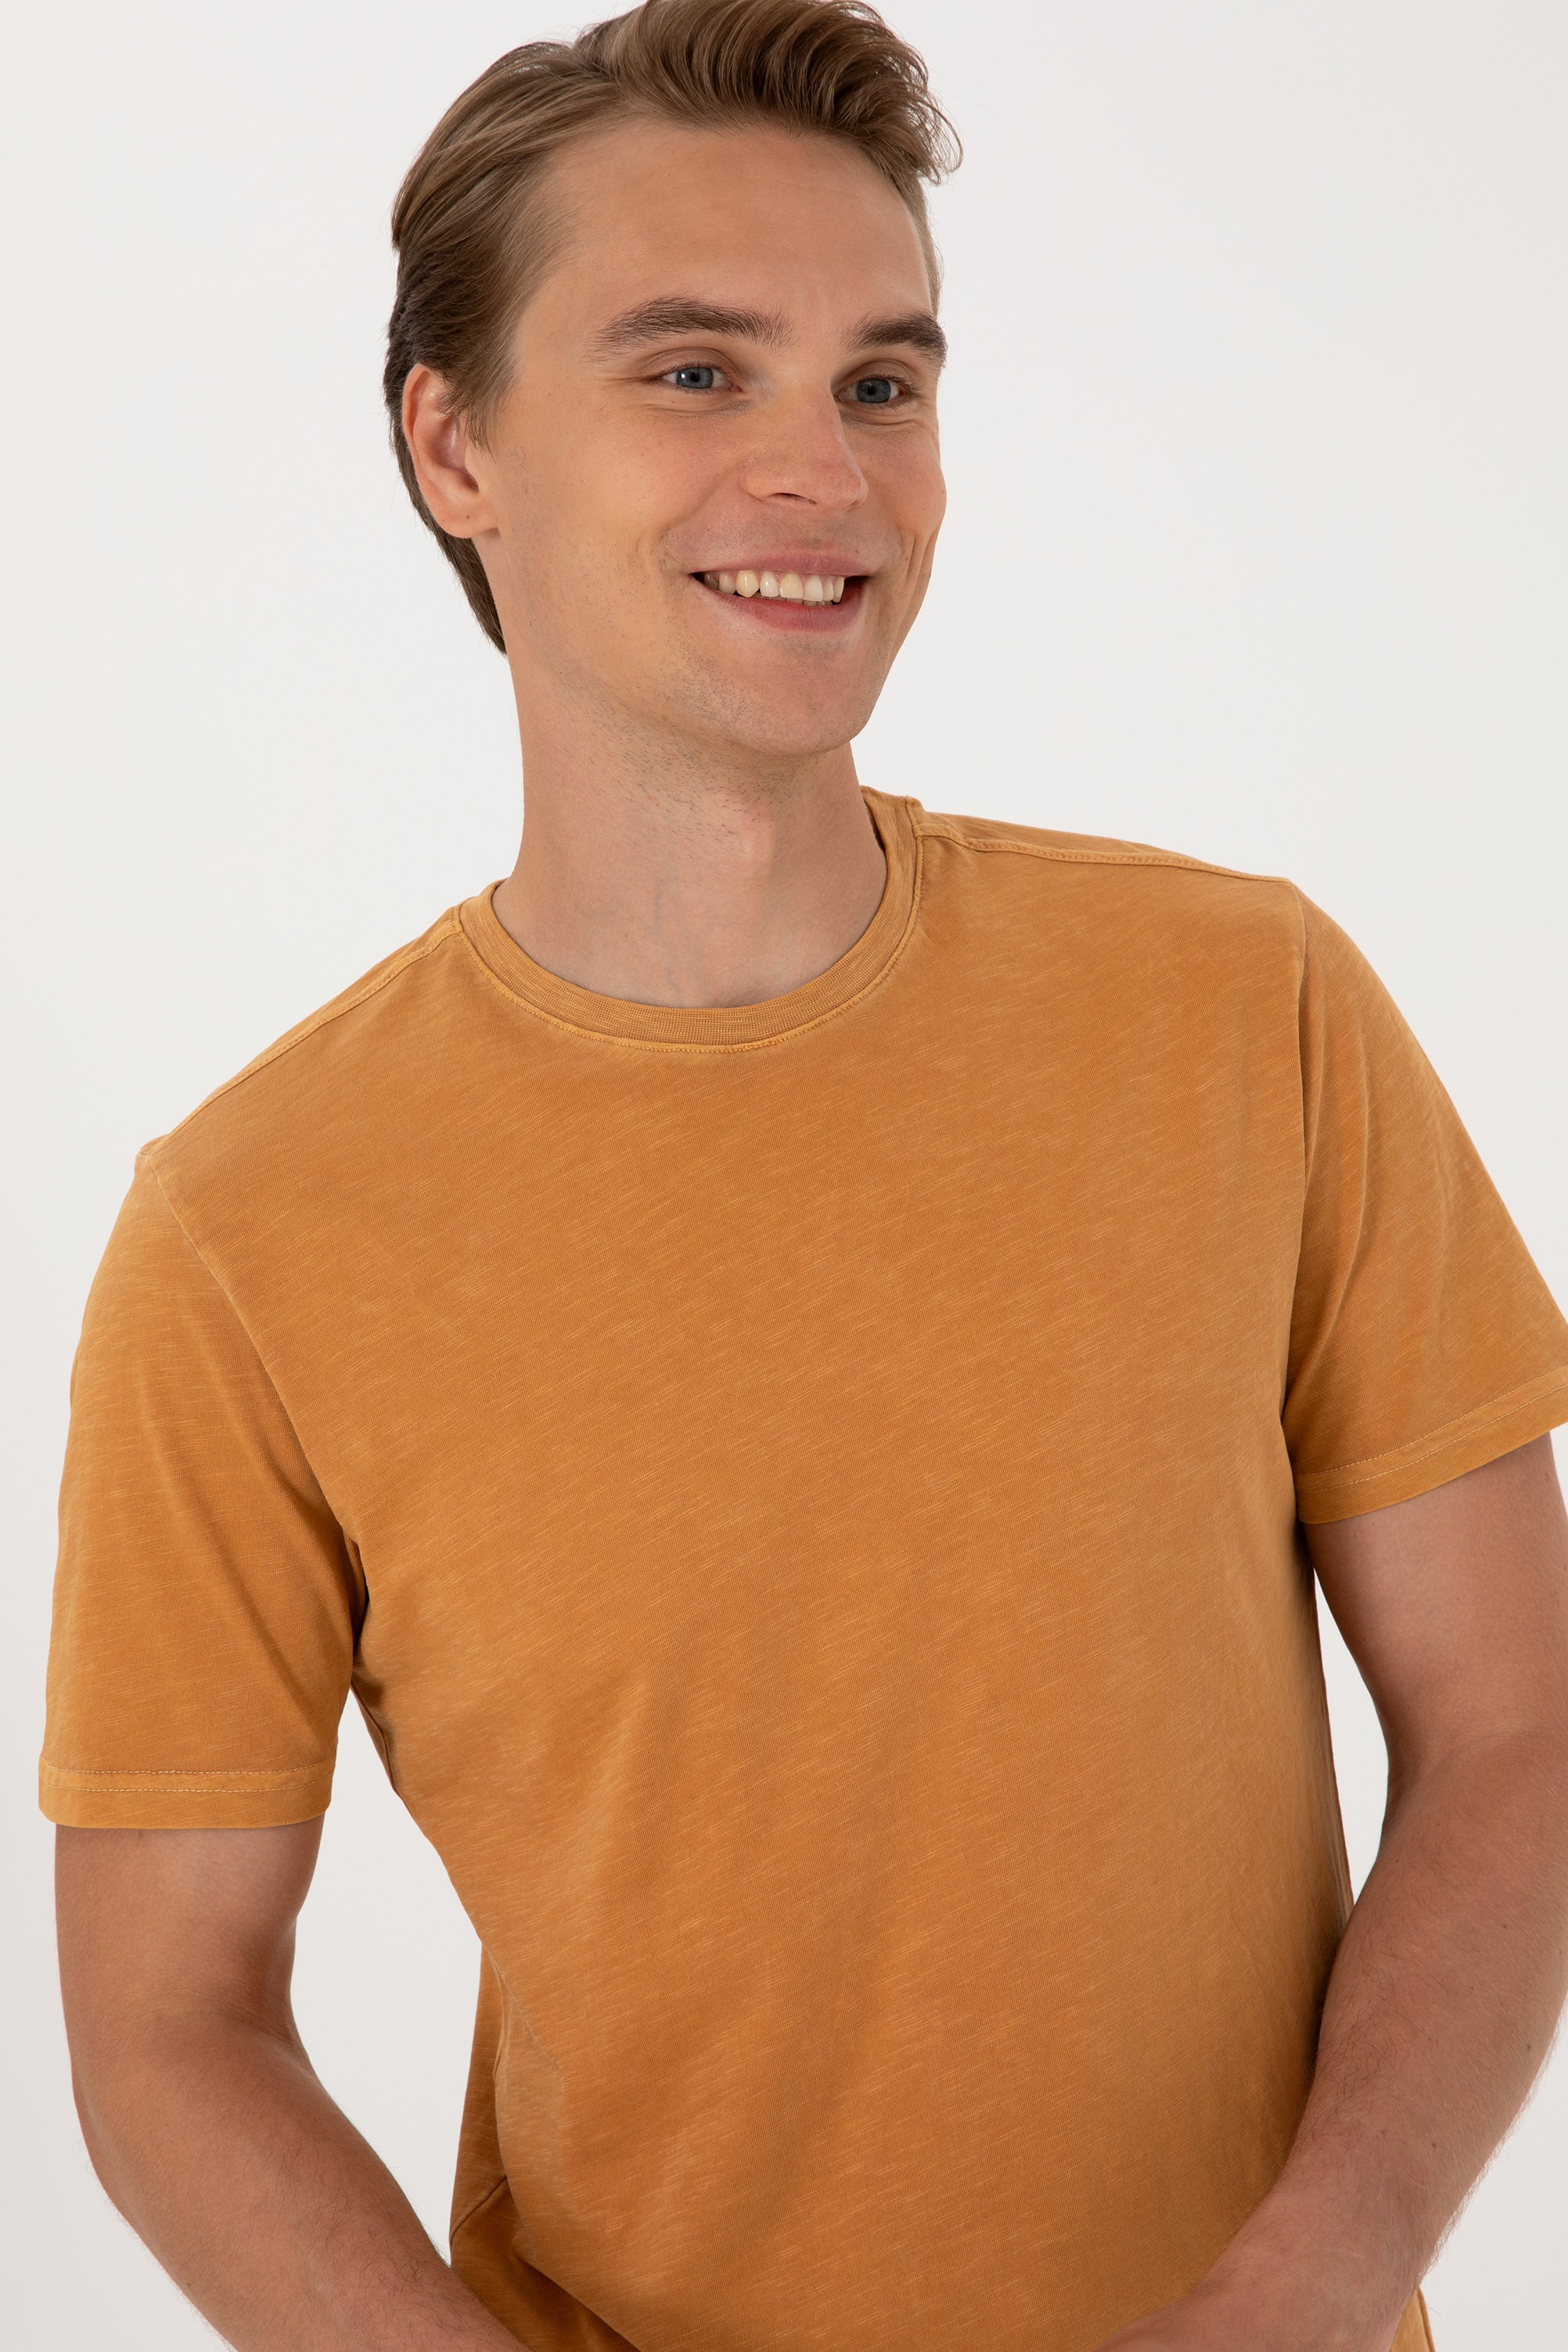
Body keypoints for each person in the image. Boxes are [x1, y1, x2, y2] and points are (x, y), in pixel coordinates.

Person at [40, 2, 1568, 2347]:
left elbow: (1513, 1726)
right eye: (693, 372)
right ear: (454, 445)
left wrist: (1317, 2276)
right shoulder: (248, 1230)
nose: (822, 472)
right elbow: (170, 2025)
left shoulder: (1243, 1006)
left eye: (880, 381)